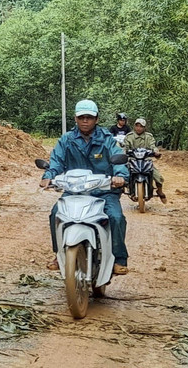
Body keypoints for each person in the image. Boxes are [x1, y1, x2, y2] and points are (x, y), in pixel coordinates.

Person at [41, 99, 130, 274]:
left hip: (103, 191)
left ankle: (119, 259)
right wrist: (48, 176)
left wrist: (119, 176)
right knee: (55, 214)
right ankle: (59, 254)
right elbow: (57, 161)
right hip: (75, 191)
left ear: (96, 119)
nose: (85, 121)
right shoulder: (67, 140)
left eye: (89, 117)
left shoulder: (107, 140)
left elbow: (118, 158)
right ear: (75, 118)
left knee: (116, 217)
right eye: (81, 117)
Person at [123, 117, 167, 202]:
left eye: (141, 126)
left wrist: (155, 152)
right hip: (132, 161)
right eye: (137, 126)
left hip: (146, 161)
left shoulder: (148, 136)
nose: (139, 128)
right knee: (122, 176)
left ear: (144, 128)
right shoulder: (129, 136)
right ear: (134, 126)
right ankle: (122, 191)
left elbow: (153, 146)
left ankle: (160, 191)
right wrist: (123, 152)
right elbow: (125, 147)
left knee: (158, 177)